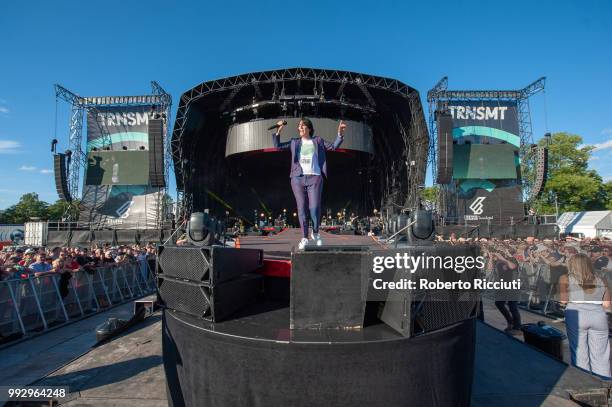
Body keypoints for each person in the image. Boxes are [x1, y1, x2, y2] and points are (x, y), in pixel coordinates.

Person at [273, 117, 346, 249]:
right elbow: (278, 146)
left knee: (314, 208)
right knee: (301, 209)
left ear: (309, 128)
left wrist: (340, 134)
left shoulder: (317, 141)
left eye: (302, 125)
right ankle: (304, 237)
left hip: (315, 178)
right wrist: (279, 130)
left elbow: (334, 146)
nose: (299, 127)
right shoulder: (295, 142)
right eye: (299, 126)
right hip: (297, 178)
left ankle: (316, 232)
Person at [559, 253, 611, 378]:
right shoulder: (601, 279)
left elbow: (564, 301)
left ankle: (583, 383)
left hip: (577, 315)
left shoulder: (565, 278)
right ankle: (605, 383)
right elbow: (607, 304)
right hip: (598, 315)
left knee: (579, 353)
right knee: (601, 355)